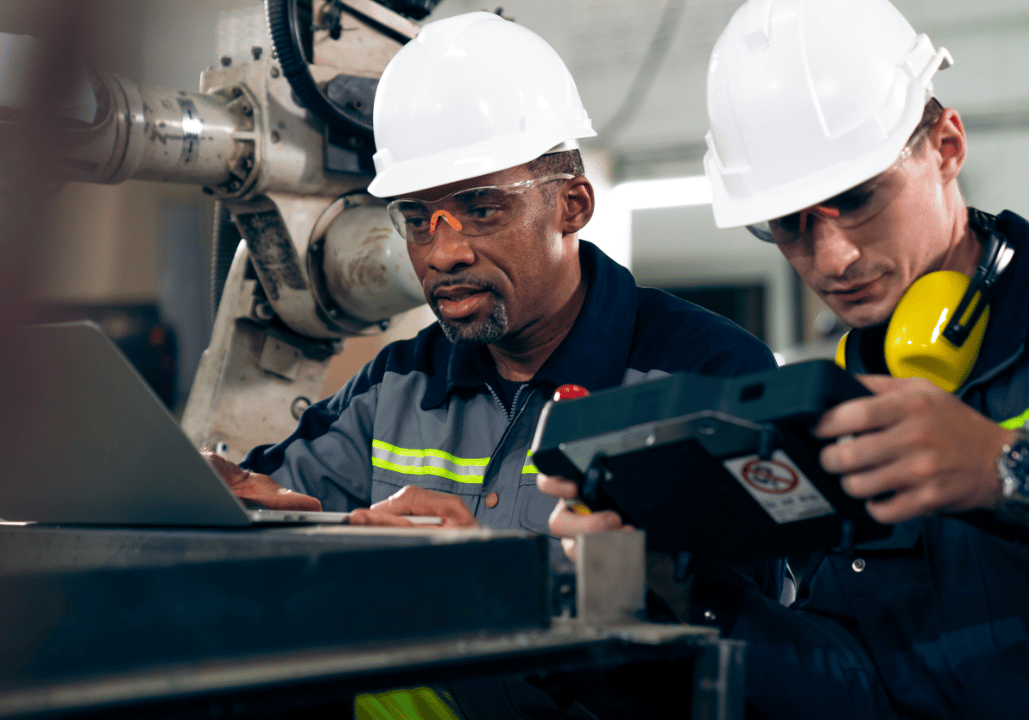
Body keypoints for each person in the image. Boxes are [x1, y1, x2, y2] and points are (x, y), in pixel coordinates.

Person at [541, 1, 1029, 718]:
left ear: (946, 146)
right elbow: (862, 682)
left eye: (856, 200)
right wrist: (678, 599)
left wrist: (1009, 471)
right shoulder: (834, 401)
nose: (833, 259)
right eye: (788, 226)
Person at [203, 12, 778, 718]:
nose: (442, 253)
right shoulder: (396, 387)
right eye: (418, 219)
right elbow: (278, 508)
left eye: (479, 209)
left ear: (572, 205)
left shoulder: (710, 378)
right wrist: (217, 505)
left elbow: (749, 650)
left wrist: (504, 583)